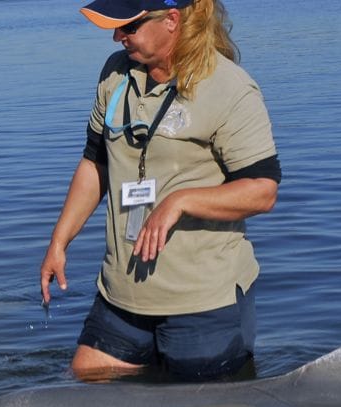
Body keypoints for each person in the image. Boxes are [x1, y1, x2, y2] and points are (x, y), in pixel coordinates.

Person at [40, 0, 281, 382]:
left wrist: (181, 201)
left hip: (203, 302)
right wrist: (59, 241)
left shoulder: (230, 88)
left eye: (129, 27)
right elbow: (94, 163)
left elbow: (262, 191)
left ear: (171, 21)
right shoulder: (114, 75)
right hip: (122, 294)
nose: (117, 36)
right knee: (86, 381)